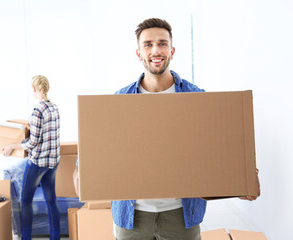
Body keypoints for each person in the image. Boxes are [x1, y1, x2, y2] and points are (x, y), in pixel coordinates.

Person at [73, 18, 260, 240]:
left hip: (180, 216)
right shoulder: (119, 102)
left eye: (162, 43)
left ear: (172, 50)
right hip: (132, 217)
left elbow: (219, 150)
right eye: (148, 44)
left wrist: (242, 180)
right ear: (138, 53)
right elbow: (90, 159)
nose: (156, 50)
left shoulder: (197, 98)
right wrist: (81, 174)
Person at [3, 75, 61, 240]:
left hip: (37, 164)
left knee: (25, 201)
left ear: (34, 89)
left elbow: (33, 142)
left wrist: (11, 147)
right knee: (51, 200)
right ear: (47, 88)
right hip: (53, 163)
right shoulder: (55, 108)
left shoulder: (37, 111)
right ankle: (55, 238)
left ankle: (26, 238)